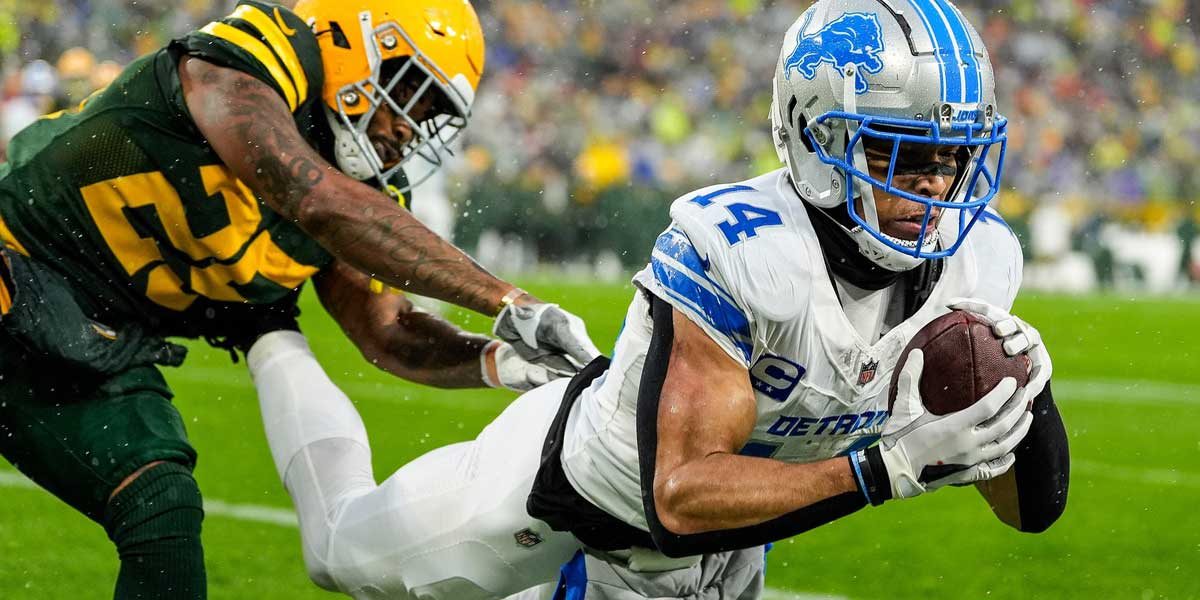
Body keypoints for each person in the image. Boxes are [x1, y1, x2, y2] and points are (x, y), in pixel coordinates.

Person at [247, 1, 1070, 598]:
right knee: (337, 552)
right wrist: (887, 468)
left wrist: (1017, 413)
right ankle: (265, 332)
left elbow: (1034, 513)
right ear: (816, 135)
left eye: (950, 159)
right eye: (900, 155)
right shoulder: (744, 248)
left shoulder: (981, 262)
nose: (932, 188)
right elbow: (676, 497)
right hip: (568, 498)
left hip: (721, 545)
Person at [0, 1, 600, 599]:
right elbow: (307, 193)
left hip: (95, 335)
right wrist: (506, 297)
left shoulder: (363, 189)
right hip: (13, 255)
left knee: (161, 506)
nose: (408, 128)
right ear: (358, 40)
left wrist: (499, 360)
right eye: (412, 92)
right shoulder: (272, 50)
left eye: (430, 115)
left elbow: (386, 332)